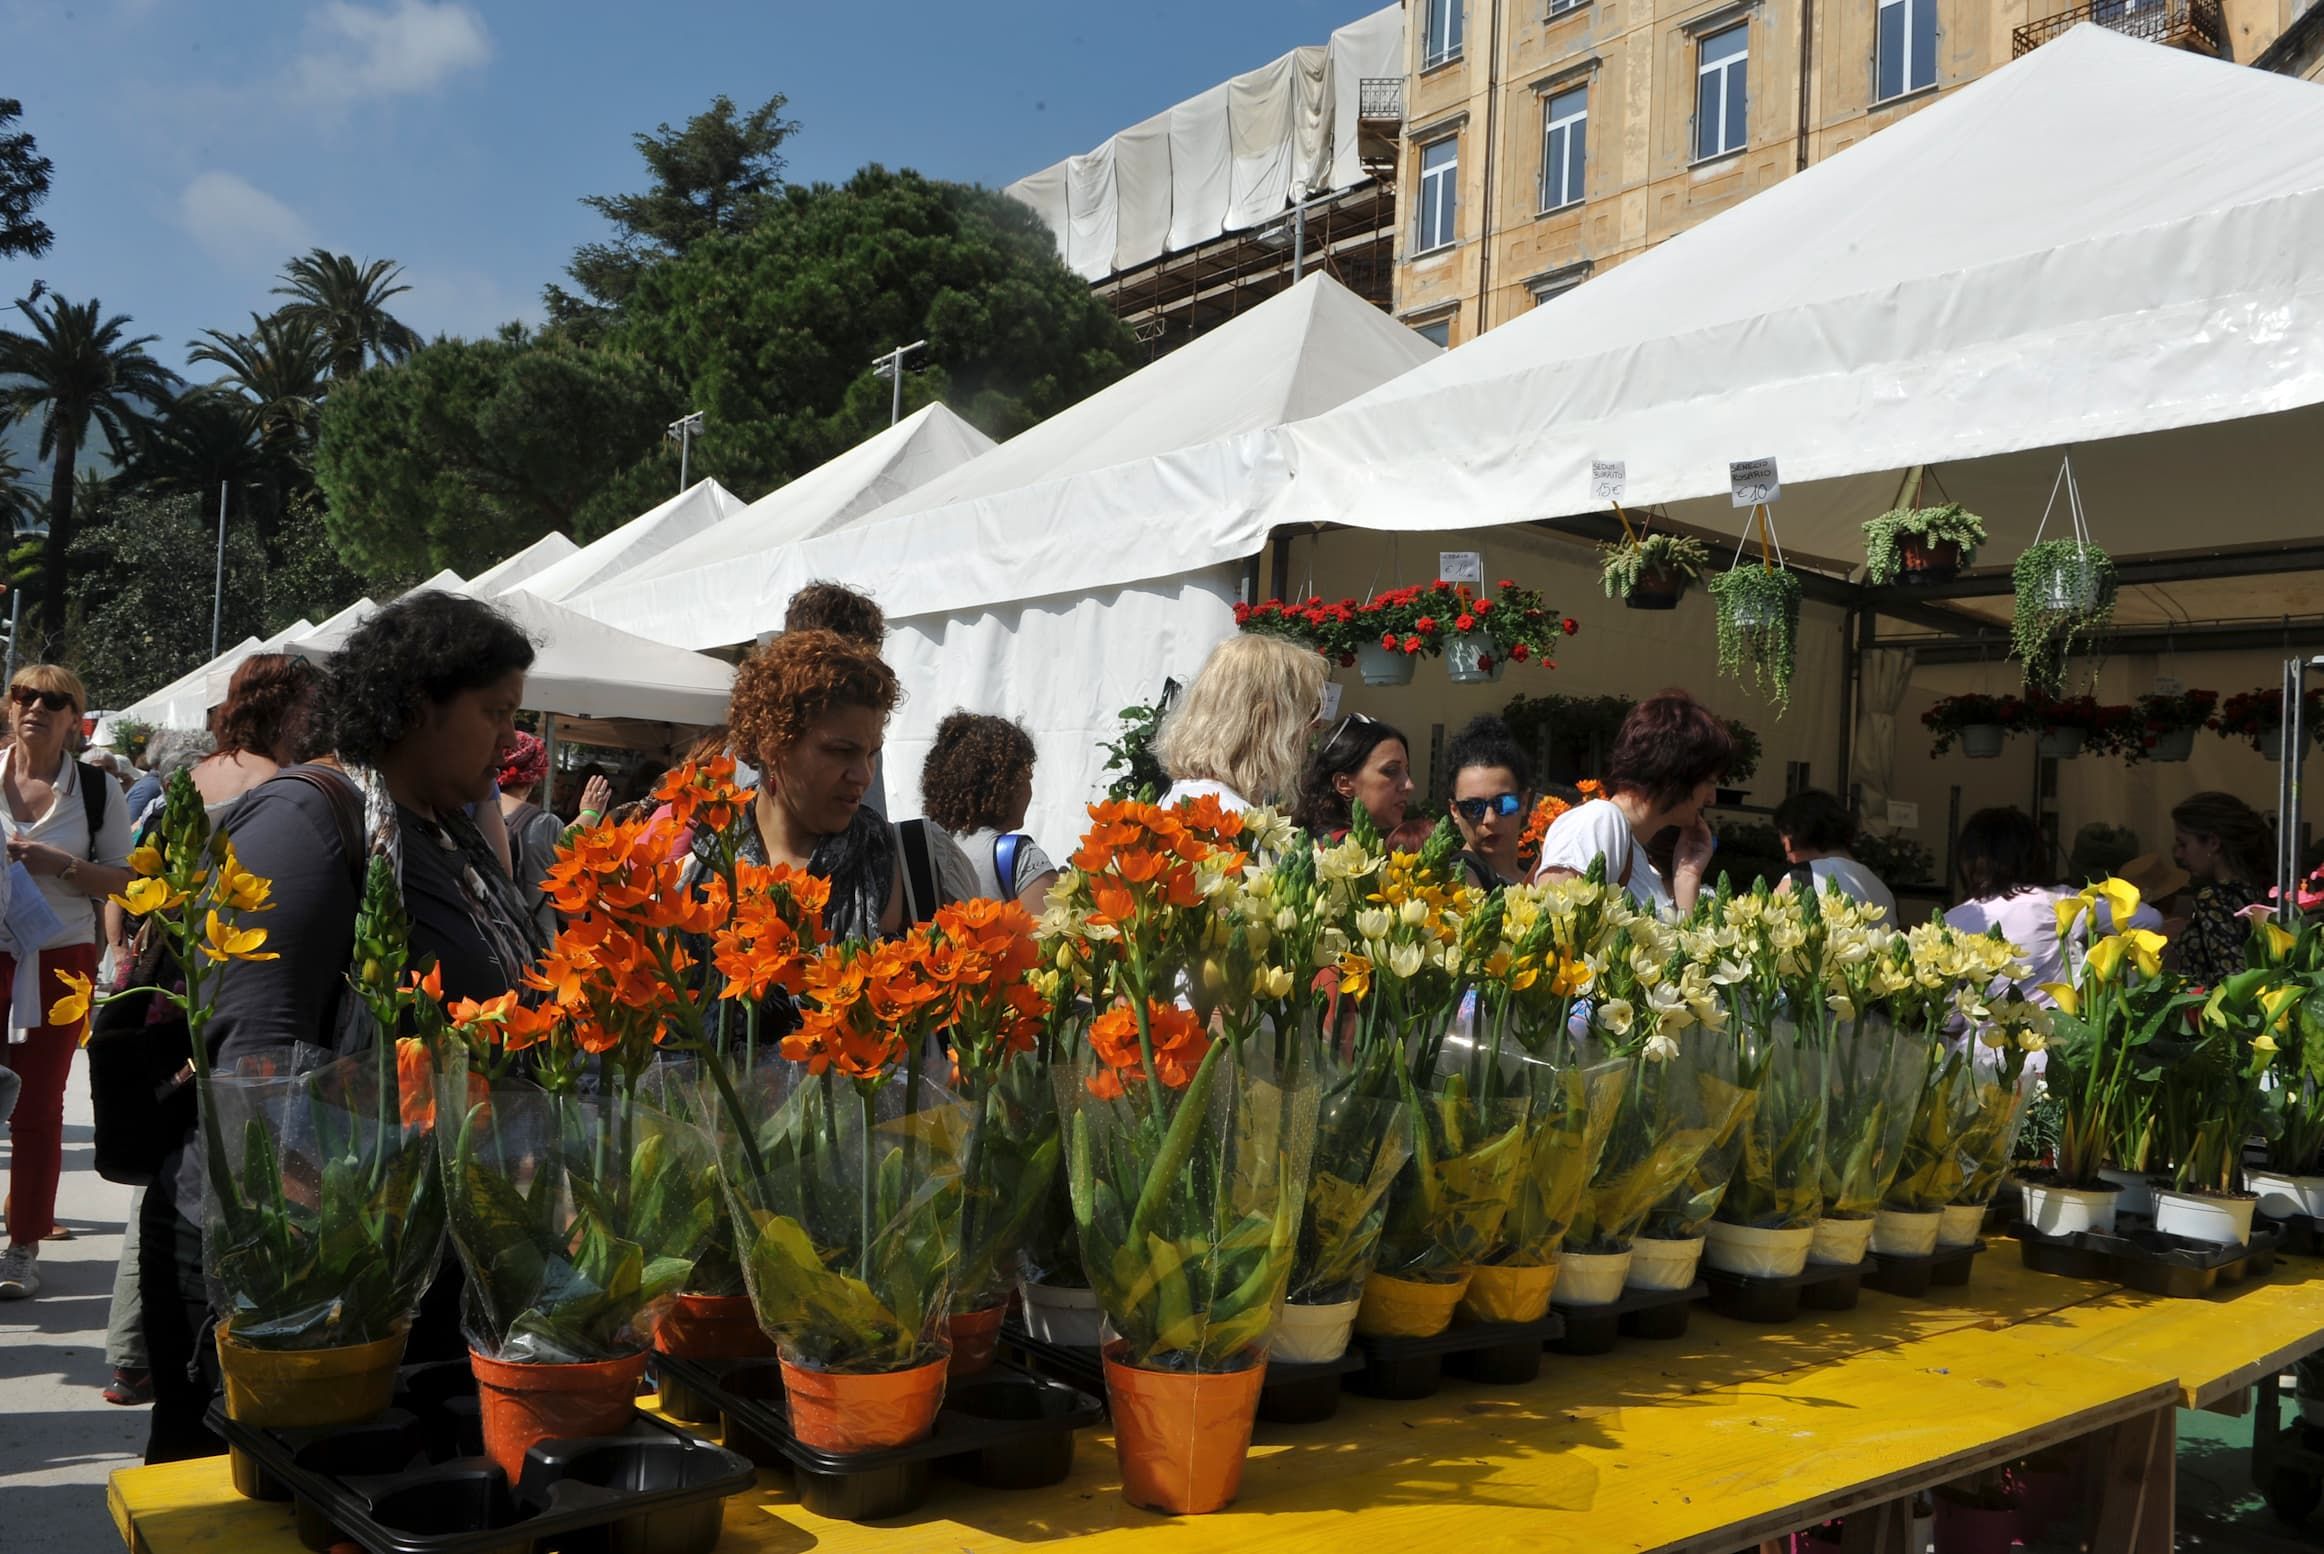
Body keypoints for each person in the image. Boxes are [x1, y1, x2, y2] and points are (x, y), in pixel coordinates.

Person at [138, 590, 546, 1463]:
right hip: (285, 1264)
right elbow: (255, 1063)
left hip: (386, 1255)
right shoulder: (307, 818)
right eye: (495, 714)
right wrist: (307, 1273)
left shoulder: (444, 835)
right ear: (415, 706)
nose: (512, 742)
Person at [0, 665, 135, 1300]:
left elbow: (126, 880)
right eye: (25, 695)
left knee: (36, 1105)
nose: (37, 707)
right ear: (9, 707)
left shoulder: (97, 789)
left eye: (54, 701)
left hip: (59, 957)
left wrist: (65, 865)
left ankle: (22, 1244)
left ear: (74, 720)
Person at [723, 628, 916, 940]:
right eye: (841, 751)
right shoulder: (705, 868)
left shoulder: (895, 859)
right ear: (773, 744)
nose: (864, 776)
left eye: (872, 754)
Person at [1535, 689, 1730, 914]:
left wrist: (1687, 876)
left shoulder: (1638, 857)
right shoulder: (1598, 821)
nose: (1711, 798)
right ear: (1677, 771)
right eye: (1709, 782)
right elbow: (1555, 929)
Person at [1155, 634, 1328, 815]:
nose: (1317, 724)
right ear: (1267, 720)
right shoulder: (1233, 819)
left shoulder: (1179, 795)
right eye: (1312, 710)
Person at [920, 711, 1058, 911]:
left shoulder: (925, 850)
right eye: (1027, 777)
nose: (1030, 790)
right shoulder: (1019, 856)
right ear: (1007, 785)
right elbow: (1055, 938)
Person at [1943, 807, 2075, 1002]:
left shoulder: (1951, 921)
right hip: (2045, 1030)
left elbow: (1948, 1020)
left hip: (1977, 1032)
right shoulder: (2059, 901)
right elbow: (2136, 916)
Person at [2169, 790, 2272, 985]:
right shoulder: (2257, 891)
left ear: (2214, 843)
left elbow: (2232, 974)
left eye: (2184, 844)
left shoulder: (2213, 898)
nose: (2180, 855)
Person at [1772, 788, 1899, 923]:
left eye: (1784, 845)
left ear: (1797, 836)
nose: (1788, 858)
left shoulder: (1799, 880)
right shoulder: (1882, 890)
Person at [1445, 715, 1534, 889]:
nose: (1490, 819)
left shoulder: (1533, 871)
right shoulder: (1459, 879)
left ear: (1524, 802)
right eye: (1473, 807)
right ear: (1454, 811)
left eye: (1504, 803)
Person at [1294, 714, 1415, 840]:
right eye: (1391, 770)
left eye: (1407, 771)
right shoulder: (1337, 855)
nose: (1409, 785)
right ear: (1344, 783)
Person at [495, 733, 567, 942]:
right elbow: (571, 912)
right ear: (536, 775)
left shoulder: (465, 811)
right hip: (538, 944)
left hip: (487, 939)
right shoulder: (547, 824)